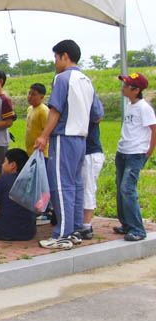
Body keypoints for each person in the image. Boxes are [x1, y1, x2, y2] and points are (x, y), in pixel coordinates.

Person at [34, 40, 103, 249]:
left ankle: (62, 234)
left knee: (61, 186)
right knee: (75, 185)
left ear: (64, 56)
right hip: (81, 139)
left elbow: (55, 110)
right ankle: (74, 230)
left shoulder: (62, 79)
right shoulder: (86, 81)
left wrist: (44, 135)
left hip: (64, 137)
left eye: (56, 57)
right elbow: (98, 114)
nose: (55, 62)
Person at [114, 72, 156, 242]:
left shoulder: (144, 108)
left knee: (127, 189)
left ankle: (138, 229)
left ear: (136, 89)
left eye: (126, 85)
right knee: (120, 189)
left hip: (135, 153)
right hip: (123, 151)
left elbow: (154, 129)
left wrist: (149, 151)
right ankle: (126, 223)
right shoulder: (130, 105)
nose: (123, 88)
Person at [0, 149, 37, 241]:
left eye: (4, 162)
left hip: (3, 232)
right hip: (28, 232)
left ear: (13, 165)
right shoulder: (31, 180)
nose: (2, 165)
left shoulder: (1, 179)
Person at [78, 117, 104, 240]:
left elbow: (99, 116)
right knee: (83, 189)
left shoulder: (91, 101)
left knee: (88, 189)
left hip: (90, 154)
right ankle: (82, 223)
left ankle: (86, 226)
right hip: (84, 153)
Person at [26, 83, 49, 157]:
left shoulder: (43, 111)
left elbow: (48, 131)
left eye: (33, 94)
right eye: (29, 93)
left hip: (41, 152)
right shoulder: (30, 109)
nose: (29, 97)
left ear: (41, 97)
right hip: (30, 151)